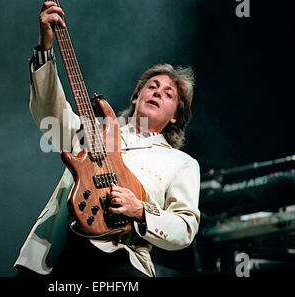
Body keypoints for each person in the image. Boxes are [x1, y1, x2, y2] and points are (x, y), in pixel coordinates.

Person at [14, 1, 200, 277]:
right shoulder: (97, 129)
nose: (158, 93)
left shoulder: (180, 163)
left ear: (176, 116)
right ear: (136, 96)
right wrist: (45, 49)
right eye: (152, 86)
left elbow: (185, 227)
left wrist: (141, 211)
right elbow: (49, 115)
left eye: (169, 94)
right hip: (54, 251)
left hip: (121, 258)